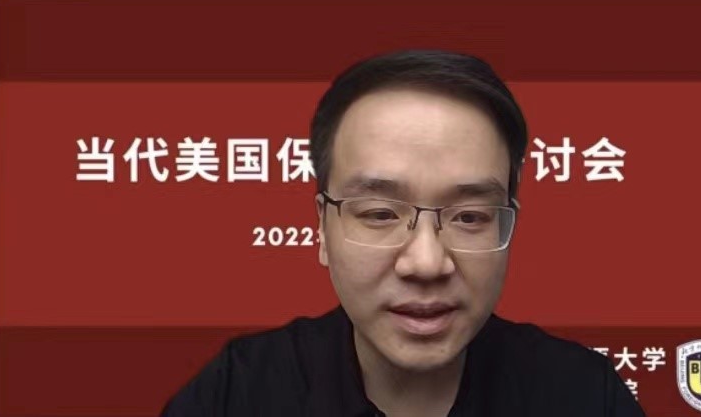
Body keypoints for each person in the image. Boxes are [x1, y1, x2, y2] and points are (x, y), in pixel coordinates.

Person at [161, 49, 646, 417]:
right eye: (379, 213)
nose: (426, 263)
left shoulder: (585, 395)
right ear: (323, 229)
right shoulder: (237, 393)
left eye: (469, 217)